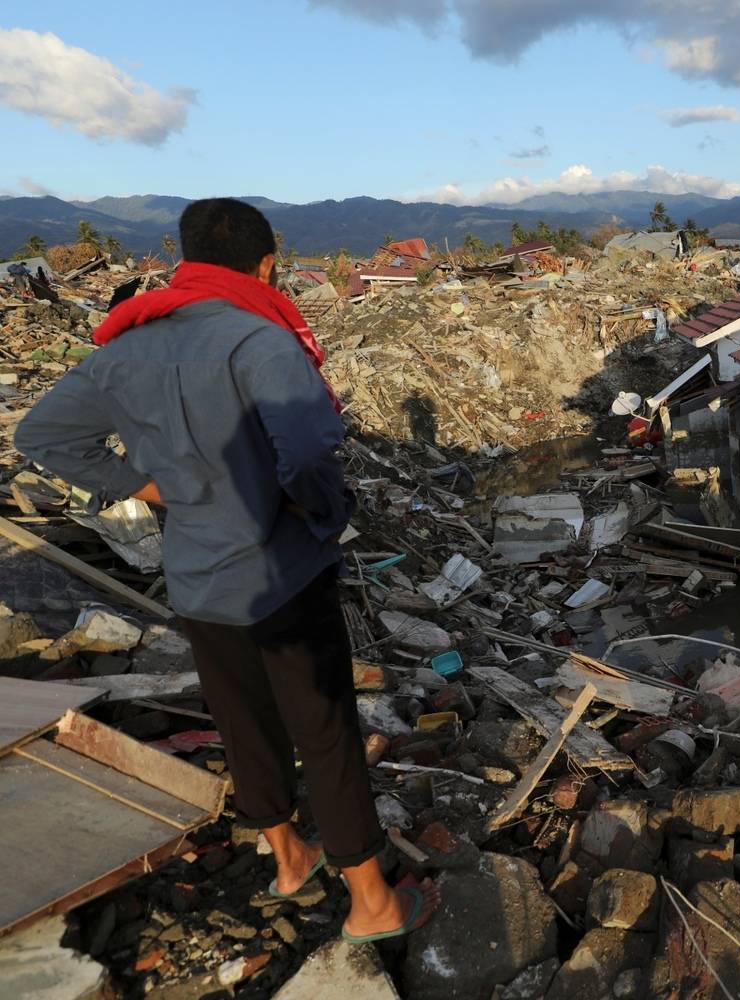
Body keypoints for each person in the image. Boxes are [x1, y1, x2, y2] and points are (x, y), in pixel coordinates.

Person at [15, 198, 438, 944]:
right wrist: (318, 513)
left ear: (186, 260)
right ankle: (372, 903)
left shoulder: (124, 346)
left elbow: (41, 433)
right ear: (266, 262)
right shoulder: (262, 342)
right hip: (282, 576)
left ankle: (287, 858)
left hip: (198, 579)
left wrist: (145, 487)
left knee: (244, 724)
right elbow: (308, 453)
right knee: (327, 732)